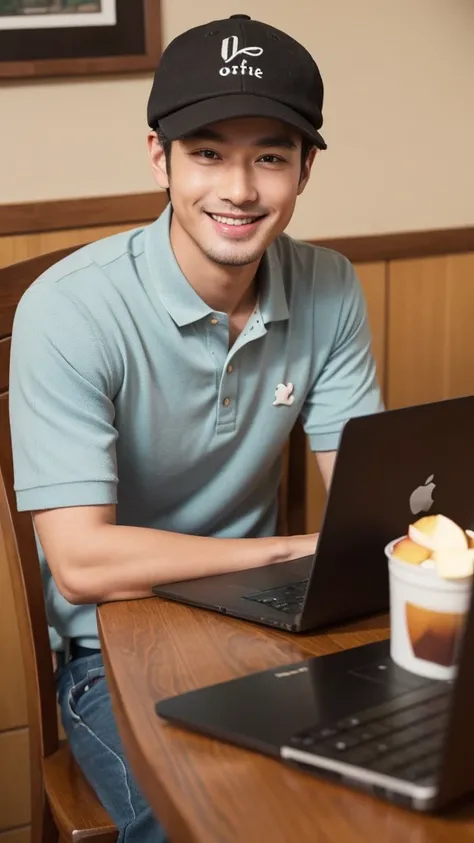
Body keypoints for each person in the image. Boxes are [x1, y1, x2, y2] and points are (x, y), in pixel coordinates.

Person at [9, 13, 384, 843]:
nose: (240, 190)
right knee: (208, 830)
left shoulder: (331, 284)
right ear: (160, 157)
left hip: (280, 623)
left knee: (398, 789)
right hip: (112, 653)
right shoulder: (70, 309)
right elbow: (81, 563)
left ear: (306, 168)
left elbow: (373, 507)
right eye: (208, 152)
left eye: (271, 157)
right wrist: (290, 550)